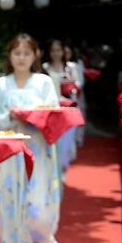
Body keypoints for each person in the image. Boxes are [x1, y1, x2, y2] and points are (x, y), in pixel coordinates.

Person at [0, 33, 61, 243]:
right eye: (17, 53)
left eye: (26, 53)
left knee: (37, 206)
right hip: (9, 151)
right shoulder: (0, 85)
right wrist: (11, 116)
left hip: (38, 150)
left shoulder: (43, 82)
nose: (21, 58)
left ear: (35, 55)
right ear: (10, 56)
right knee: (11, 205)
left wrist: (34, 116)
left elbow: (53, 113)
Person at [42, 39, 79, 175]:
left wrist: (68, 82)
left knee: (66, 139)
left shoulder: (70, 68)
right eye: (53, 51)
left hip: (68, 106)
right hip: (51, 108)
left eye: (58, 50)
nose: (56, 53)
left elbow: (78, 84)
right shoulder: (45, 68)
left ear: (63, 51)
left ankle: (63, 166)